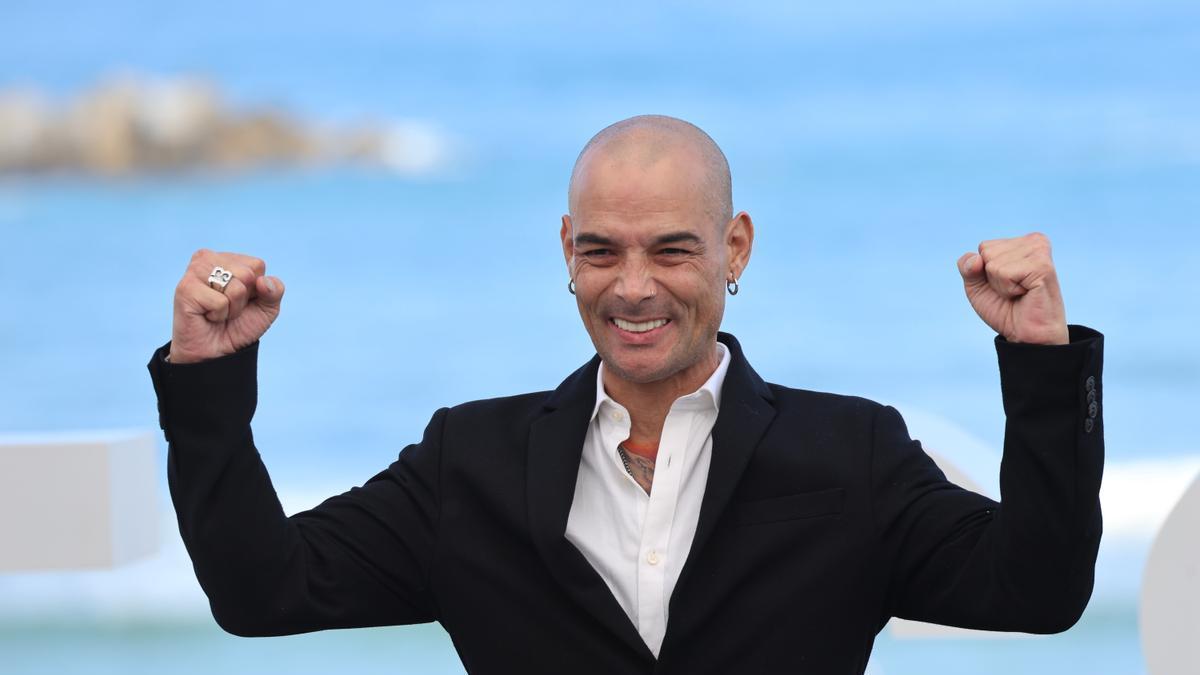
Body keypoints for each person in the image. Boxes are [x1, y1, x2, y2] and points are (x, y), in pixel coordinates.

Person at [147, 115, 1104, 674]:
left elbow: (1039, 589)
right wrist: (209, 382)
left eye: (672, 249)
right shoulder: (467, 463)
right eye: (601, 250)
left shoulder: (850, 453)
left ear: (734, 250)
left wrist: (1040, 365)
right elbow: (260, 590)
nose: (633, 285)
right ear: (567, 250)